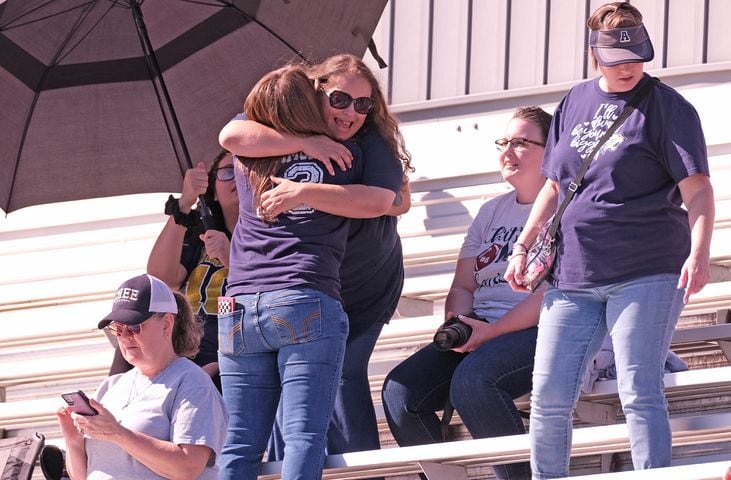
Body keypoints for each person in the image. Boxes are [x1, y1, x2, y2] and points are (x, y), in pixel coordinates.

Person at [504, 2, 715, 477]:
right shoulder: (575, 101)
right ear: (594, 54)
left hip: (647, 269)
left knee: (639, 390)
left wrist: (700, 253)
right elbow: (555, 186)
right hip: (572, 275)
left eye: (637, 57)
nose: (629, 68)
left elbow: (698, 191)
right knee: (549, 397)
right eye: (618, 60)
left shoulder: (669, 108)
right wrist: (524, 243)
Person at [219, 53, 412, 462]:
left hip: (360, 284)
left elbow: (390, 200)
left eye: (364, 104)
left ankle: (361, 474)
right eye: (341, 99)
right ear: (314, 91)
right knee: (275, 401)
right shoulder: (277, 126)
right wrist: (305, 142)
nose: (352, 112)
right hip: (295, 286)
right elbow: (230, 136)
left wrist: (304, 191)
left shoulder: (369, 141)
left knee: (340, 378)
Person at [381, 106, 552, 480]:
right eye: (504, 142)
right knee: (400, 393)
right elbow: (462, 286)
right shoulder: (491, 212)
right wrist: (461, 323)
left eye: (522, 142)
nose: (508, 150)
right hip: (483, 329)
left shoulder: (565, 209)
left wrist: (490, 333)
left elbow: (556, 295)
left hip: (540, 328)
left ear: (551, 149)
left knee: (474, 383)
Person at [56, 274, 228, 480]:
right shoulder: (111, 386)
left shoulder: (192, 382)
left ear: (166, 324)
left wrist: (118, 433)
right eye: (117, 329)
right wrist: (73, 440)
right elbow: (84, 476)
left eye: (134, 327)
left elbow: (188, 467)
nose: (125, 337)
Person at [107, 151, 238, 389]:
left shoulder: (274, 231)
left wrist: (232, 258)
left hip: (230, 355)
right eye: (227, 172)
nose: (236, 178)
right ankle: (107, 407)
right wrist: (185, 204)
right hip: (179, 348)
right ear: (214, 191)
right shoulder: (202, 228)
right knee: (132, 322)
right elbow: (161, 279)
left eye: (244, 169)